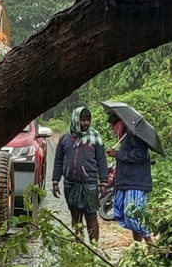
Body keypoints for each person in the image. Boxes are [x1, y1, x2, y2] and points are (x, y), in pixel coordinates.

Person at [51, 106, 110, 245]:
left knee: (91, 215)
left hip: (89, 184)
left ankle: (94, 247)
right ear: (75, 120)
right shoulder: (64, 139)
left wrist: (103, 182)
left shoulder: (95, 139)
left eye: (87, 120)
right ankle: (79, 246)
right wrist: (55, 181)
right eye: (82, 120)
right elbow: (58, 161)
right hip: (70, 184)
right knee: (75, 216)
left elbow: (102, 162)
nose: (85, 123)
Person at [106, 111, 155, 248]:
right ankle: (137, 248)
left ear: (118, 124)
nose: (112, 129)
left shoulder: (134, 136)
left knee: (135, 216)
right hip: (126, 181)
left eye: (112, 126)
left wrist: (118, 154)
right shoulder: (125, 137)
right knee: (127, 215)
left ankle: (151, 247)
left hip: (137, 182)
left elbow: (139, 155)